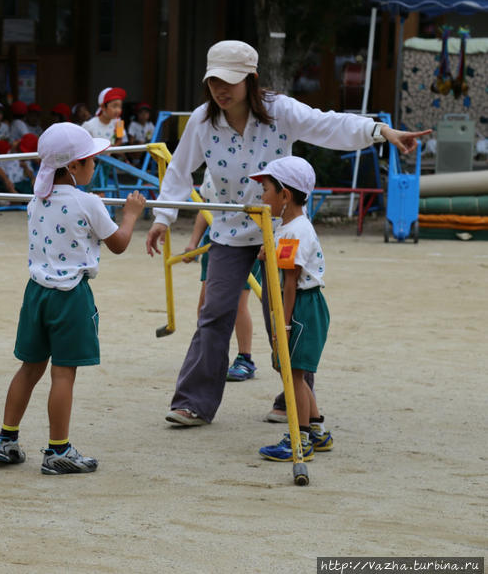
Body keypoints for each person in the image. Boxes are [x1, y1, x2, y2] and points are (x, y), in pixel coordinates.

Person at [145, 40, 431, 427]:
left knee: (285, 316)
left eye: (229, 81)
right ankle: (194, 401)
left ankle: (294, 402)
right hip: (230, 230)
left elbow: (329, 124)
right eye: (213, 82)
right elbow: (179, 171)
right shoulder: (202, 120)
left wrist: (380, 131)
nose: (220, 90)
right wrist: (162, 217)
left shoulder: (280, 111)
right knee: (213, 315)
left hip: (280, 230)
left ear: (251, 79)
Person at [0, 122, 146, 475]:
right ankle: (58, 449)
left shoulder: (36, 199)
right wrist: (131, 215)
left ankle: (6, 439)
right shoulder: (87, 202)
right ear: (73, 167)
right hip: (70, 296)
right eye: (91, 160)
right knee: (63, 374)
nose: (96, 165)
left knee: (29, 367)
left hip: (36, 295)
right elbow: (118, 244)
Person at [250, 156, 333, 461]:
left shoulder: (295, 230)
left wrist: (282, 326)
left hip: (301, 308)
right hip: (305, 306)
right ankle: (316, 432)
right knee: (297, 371)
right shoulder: (290, 227)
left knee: (293, 374)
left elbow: (289, 281)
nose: (262, 196)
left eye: (267, 189)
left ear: (285, 195)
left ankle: (298, 440)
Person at [186, 170, 260, 382]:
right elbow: (205, 207)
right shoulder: (213, 165)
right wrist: (193, 242)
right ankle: (209, 354)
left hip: (247, 239)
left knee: (238, 303)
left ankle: (245, 358)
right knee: (206, 304)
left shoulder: (252, 162)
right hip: (217, 239)